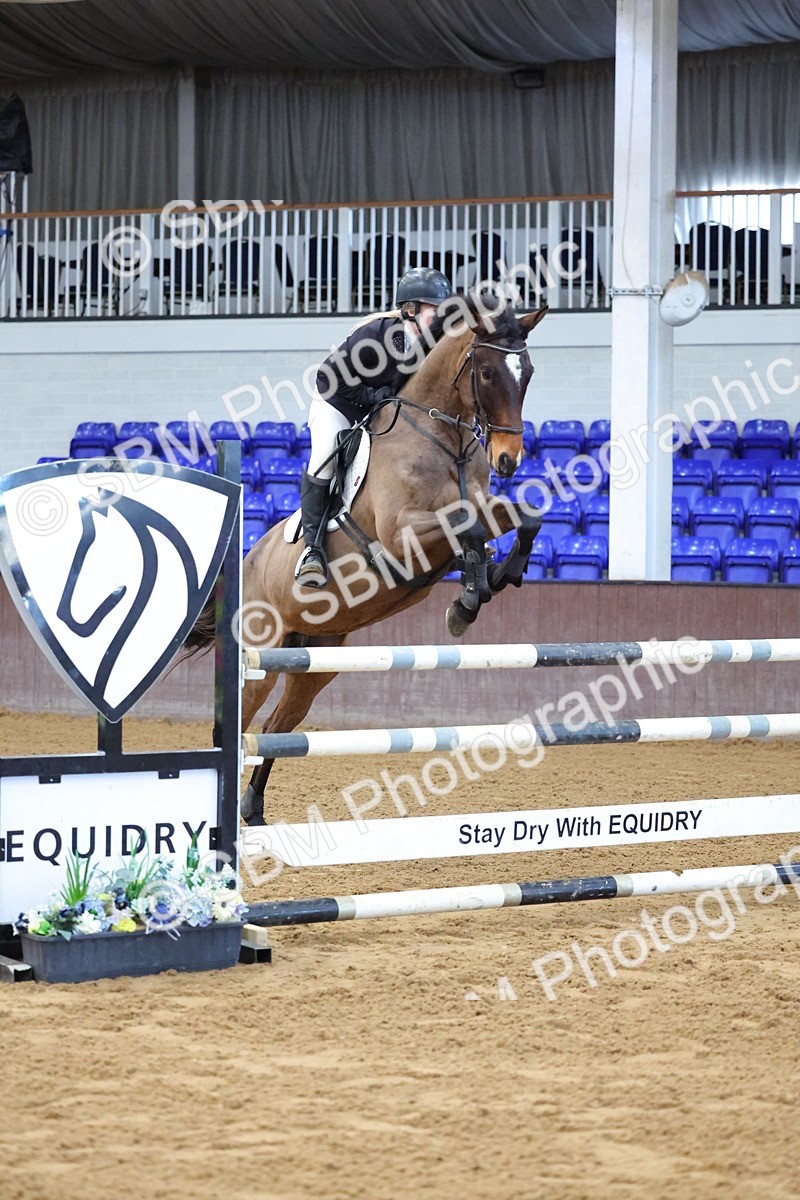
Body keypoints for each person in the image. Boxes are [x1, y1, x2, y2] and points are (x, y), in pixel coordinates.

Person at [295, 266, 452, 588]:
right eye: (434, 312)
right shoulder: (376, 337)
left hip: (383, 411)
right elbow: (329, 377)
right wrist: (371, 396)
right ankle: (313, 550)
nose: (441, 320)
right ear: (411, 310)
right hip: (337, 402)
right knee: (324, 459)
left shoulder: (435, 344)